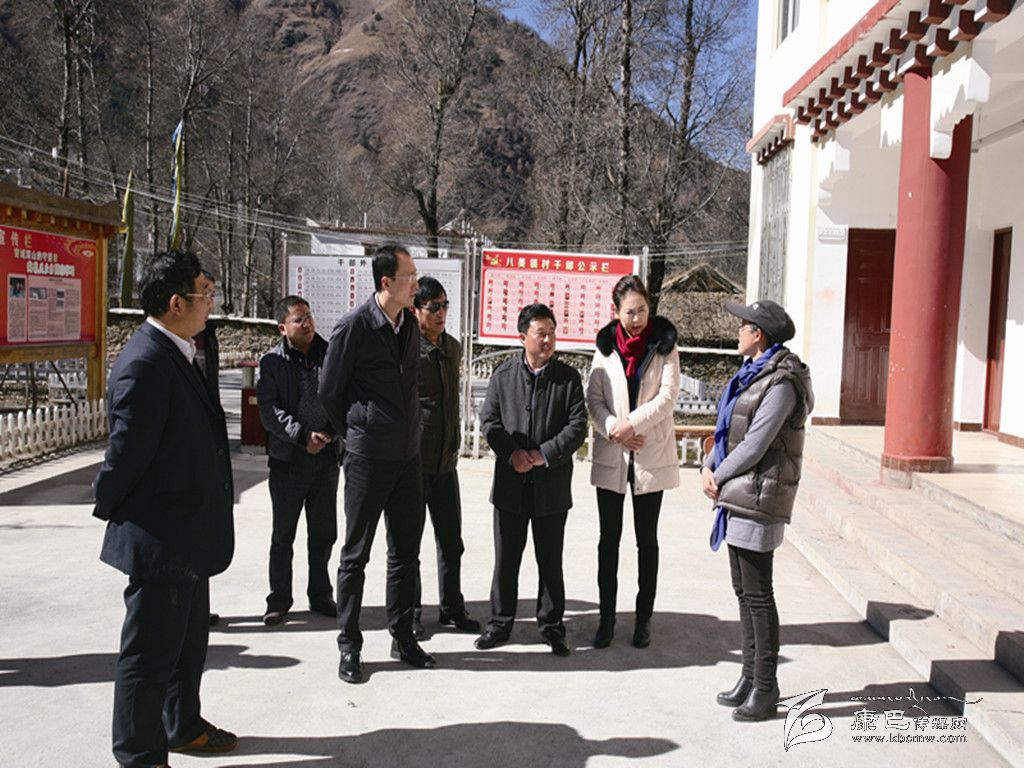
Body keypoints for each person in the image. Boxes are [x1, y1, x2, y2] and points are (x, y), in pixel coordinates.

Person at [93, 250, 237, 766]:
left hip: (189, 534)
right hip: (161, 538)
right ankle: (140, 755)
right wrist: (106, 500)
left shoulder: (179, 350)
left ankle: (182, 725)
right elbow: (125, 457)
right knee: (149, 658)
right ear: (177, 303)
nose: (211, 302)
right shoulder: (147, 362)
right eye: (205, 293)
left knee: (185, 647)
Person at [319, 243, 433, 684]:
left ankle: (402, 636)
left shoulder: (410, 325)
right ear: (386, 282)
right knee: (355, 555)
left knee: (405, 553)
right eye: (410, 277)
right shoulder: (354, 327)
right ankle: (349, 645)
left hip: (407, 456)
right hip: (368, 457)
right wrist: (356, 433)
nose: (416, 284)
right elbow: (329, 391)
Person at [701, 299, 813, 722]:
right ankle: (749, 677)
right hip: (740, 492)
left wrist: (717, 475)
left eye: (743, 326)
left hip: (760, 495)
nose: (738, 331)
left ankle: (766, 686)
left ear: (759, 334)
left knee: (758, 595)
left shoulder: (781, 383)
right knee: (744, 591)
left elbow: (755, 444)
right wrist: (709, 465)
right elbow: (729, 432)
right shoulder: (751, 374)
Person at [474, 303, 588, 657]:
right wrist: (512, 454)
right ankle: (499, 622)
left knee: (550, 561)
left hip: (551, 486)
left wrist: (543, 454)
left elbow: (578, 426)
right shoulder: (503, 376)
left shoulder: (568, 379)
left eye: (552, 333)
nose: (548, 340)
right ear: (522, 337)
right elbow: (490, 421)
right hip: (510, 486)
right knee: (506, 559)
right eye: (541, 333)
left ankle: (551, 626)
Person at [586, 275, 680, 649]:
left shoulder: (665, 346)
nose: (637, 319)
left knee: (647, 541)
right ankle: (606, 619)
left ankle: (643, 620)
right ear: (616, 311)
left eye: (642, 310)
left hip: (650, 454)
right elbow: (594, 399)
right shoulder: (605, 347)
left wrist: (632, 425)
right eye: (629, 312)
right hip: (613, 453)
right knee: (608, 541)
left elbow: (667, 397)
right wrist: (614, 428)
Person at [257, 296, 339, 626]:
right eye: (298, 319)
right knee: (283, 535)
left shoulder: (330, 354)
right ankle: (279, 599)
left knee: (323, 533)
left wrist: (330, 433)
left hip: (326, 459)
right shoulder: (272, 363)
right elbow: (269, 411)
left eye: (309, 316)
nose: (307, 323)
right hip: (288, 460)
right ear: (282, 328)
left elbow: (343, 396)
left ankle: (320, 594)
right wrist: (304, 437)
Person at [411, 277, 480, 638]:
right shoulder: (407, 347)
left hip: (445, 461)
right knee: (408, 545)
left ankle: (452, 607)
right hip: (414, 461)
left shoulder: (452, 346)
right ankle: (410, 613)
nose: (441, 313)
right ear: (416, 310)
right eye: (433, 307)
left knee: (452, 541)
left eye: (445, 305)